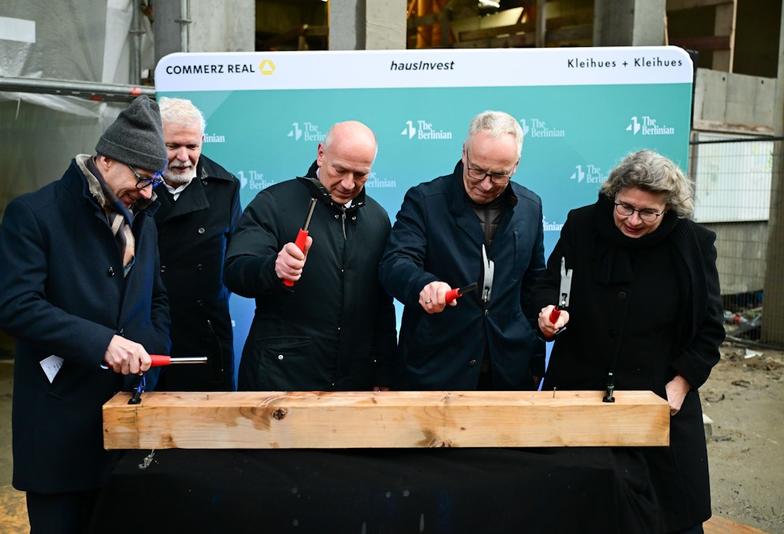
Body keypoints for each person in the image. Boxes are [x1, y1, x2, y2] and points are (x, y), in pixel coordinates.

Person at [0, 95, 170, 532]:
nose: (147, 192)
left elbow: (157, 299)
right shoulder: (34, 214)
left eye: (154, 182)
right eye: (142, 178)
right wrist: (102, 343)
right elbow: (17, 306)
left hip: (126, 424)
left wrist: (152, 348)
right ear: (107, 159)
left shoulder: (143, 220)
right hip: (59, 425)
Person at [534, 150, 724, 533]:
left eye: (648, 213)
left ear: (669, 208)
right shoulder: (582, 224)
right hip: (580, 392)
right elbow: (548, 283)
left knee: (670, 514)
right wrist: (547, 312)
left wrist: (681, 383)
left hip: (660, 399)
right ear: (614, 194)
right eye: (625, 207)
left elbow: (710, 327)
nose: (633, 220)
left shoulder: (693, 243)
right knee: (576, 511)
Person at [379, 110, 546, 390]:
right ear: (464, 153)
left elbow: (534, 284)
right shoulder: (425, 200)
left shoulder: (531, 206)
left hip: (508, 373)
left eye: (498, 175)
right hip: (436, 370)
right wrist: (424, 285)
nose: (485, 183)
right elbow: (395, 262)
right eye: (477, 170)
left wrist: (535, 358)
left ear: (515, 165)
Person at [224, 120, 396, 391]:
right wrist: (273, 268)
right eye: (340, 170)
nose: (349, 183)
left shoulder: (377, 218)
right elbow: (235, 271)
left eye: (361, 174)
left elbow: (382, 306)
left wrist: (384, 373)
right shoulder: (273, 203)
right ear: (321, 153)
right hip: (280, 381)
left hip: (354, 385)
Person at [154, 97, 241, 391]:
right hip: (147, 331)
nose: (183, 157)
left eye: (192, 147)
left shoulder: (225, 186)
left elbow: (235, 256)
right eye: (172, 146)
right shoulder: (133, 185)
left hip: (205, 332)